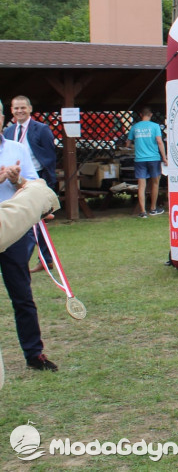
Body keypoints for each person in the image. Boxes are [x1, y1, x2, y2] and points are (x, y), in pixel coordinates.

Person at [0, 99, 58, 372]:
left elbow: (35, 185)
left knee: (22, 295)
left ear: (3, 118)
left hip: (13, 233)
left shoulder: (15, 148)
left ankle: (34, 355)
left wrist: (15, 180)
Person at [3, 96, 57, 272]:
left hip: (36, 179)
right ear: (11, 111)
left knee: (38, 222)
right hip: (13, 183)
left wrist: (40, 183)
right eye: (16, 108)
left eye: (22, 108)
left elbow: (50, 156)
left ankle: (46, 258)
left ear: (30, 109)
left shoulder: (41, 129)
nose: (19, 111)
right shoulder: (9, 131)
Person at [125, 107, 167, 218]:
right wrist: (164, 157)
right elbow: (159, 141)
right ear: (151, 114)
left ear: (140, 114)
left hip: (140, 159)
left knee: (141, 186)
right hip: (153, 158)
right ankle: (153, 208)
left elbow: (127, 144)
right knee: (155, 183)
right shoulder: (155, 126)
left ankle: (143, 211)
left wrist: (135, 145)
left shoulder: (135, 127)